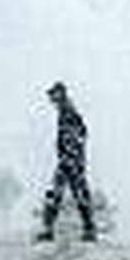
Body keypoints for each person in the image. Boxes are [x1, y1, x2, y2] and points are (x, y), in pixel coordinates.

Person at [37, 81, 97, 242]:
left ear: (61, 94)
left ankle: (51, 229)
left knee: (65, 194)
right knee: (68, 194)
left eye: (53, 95)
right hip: (70, 160)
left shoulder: (68, 112)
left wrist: (71, 156)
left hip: (70, 161)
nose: (51, 99)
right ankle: (86, 228)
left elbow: (79, 134)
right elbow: (81, 134)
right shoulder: (66, 111)